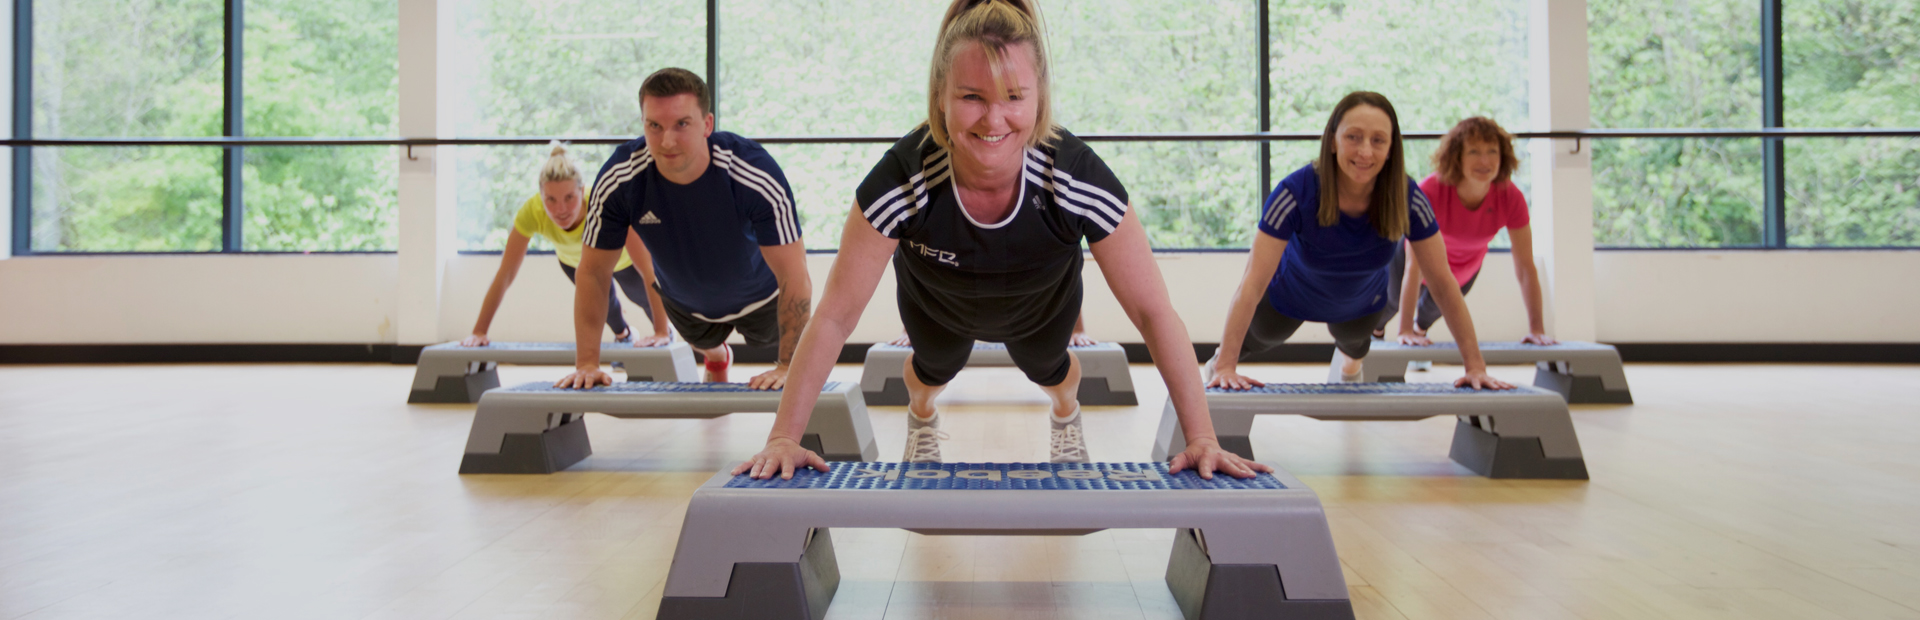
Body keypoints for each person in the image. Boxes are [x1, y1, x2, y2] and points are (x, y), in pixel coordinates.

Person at [735, 0, 1269, 481]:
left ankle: (1066, 413)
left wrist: (1202, 438)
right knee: (927, 374)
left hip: (1041, 311)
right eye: (971, 96)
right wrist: (783, 437)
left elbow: (1154, 311)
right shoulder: (902, 179)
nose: (994, 118)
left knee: (1054, 373)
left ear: (1040, 99)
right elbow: (833, 316)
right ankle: (921, 418)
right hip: (936, 308)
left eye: (1014, 96)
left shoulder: (1075, 175)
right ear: (940, 97)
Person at [1207, 91, 1514, 392]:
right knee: (1262, 336)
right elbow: (1252, 282)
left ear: (1392, 147)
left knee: (1355, 344)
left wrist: (1476, 368)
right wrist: (1225, 367)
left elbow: (1444, 284)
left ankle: (1348, 371)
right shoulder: (1294, 193)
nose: (1365, 151)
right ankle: (1216, 363)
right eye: (1353, 137)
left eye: (1378, 140)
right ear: (1332, 141)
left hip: (1359, 303)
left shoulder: (1407, 199)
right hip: (1290, 295)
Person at [553, 68, 811, 390]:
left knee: (780, 348)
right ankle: (717, 355)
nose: (667, 140)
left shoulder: (753, 172)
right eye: (654, 126)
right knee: (703, 340)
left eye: (682, 124)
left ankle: (734, 351)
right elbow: (592, 273)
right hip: (686, 306)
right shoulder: (620, 178)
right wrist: (587, 364)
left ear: (707, 125)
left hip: (763, 301)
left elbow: (794, 273)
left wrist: (789, 366)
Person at [461, 143, 670, 349]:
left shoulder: (603, 202)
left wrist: (660, 331)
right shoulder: (532, 212)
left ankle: (666, 333)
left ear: (582, 190)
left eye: (569, 197)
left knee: (642, 298)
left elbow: (646, 268)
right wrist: (479, 331)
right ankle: (624, 336)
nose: (560, 209)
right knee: (604, 308)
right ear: (540, 196)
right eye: (550, 199)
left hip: (622, 259)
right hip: (575, 263)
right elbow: (505, 273)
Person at [1375, 116, 1556, 351]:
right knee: (1390, 302)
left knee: (1433, 310)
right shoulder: (1431, 190)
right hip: (1417, 259)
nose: (1484, 160)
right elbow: (1414, 266)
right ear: (1457, 157)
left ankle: (1420, 335)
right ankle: (1375, 335)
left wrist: (1537, 330)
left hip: (1463, 268)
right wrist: (1404, 330)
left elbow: (1525, 267)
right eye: (1474, 152)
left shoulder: (1511, 197)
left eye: (1492, 151)